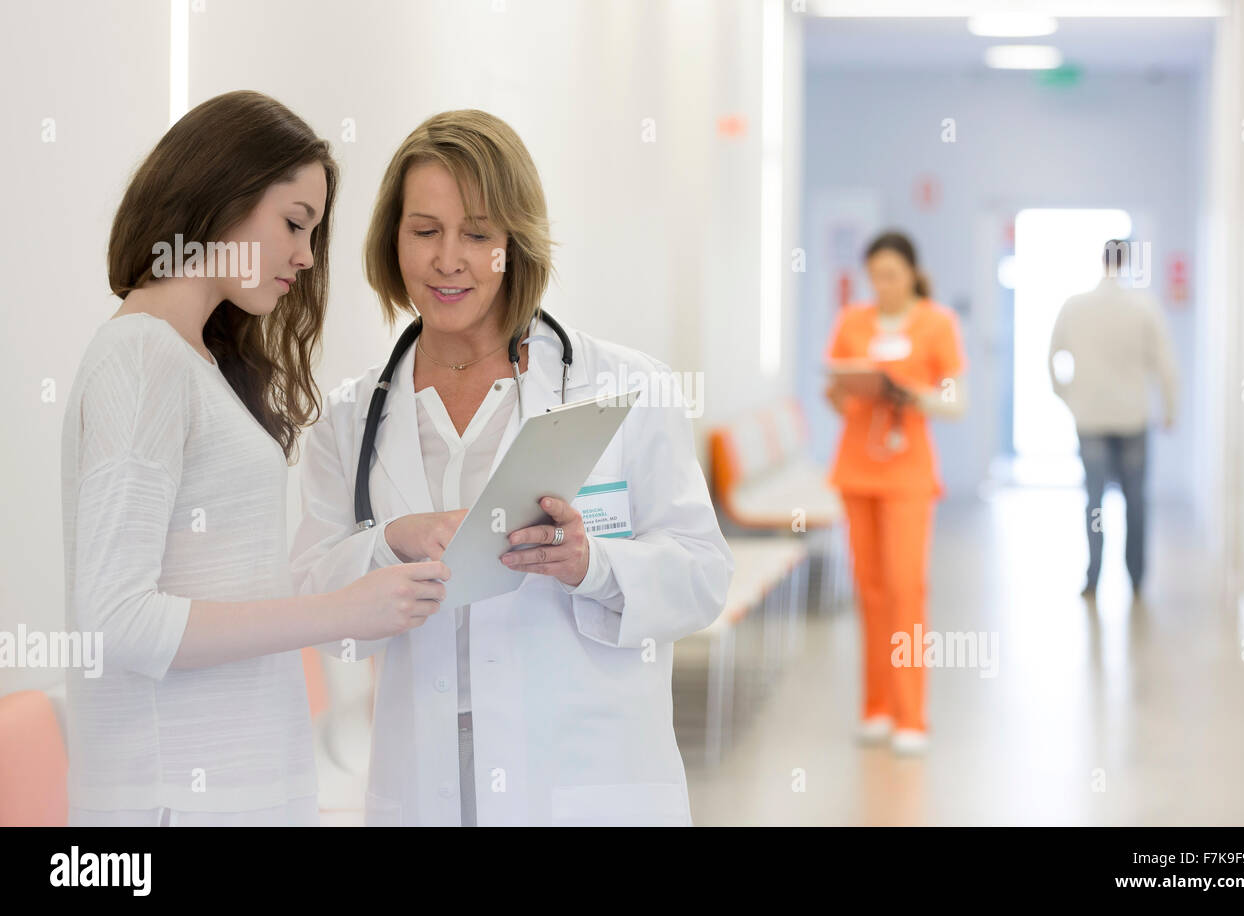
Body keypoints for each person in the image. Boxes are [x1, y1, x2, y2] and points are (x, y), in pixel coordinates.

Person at [289, 108, 732, 826]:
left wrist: (592, 564)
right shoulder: (349, 419)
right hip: (428, 786)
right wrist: (390, 542)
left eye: (477, 234)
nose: (447, 260)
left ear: (514, 244)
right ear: (391, 241)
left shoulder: (626, 388)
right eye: (425, 231)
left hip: (584, 780)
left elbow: (703, 576)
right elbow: (317, 607)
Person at [61, 91, 446, 827]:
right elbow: (119, 619)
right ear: (219, 195)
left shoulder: (195, 362)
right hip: (173, 800)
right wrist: (334, 611)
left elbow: (233, 586)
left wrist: (384, 545)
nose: (305, 256)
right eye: (294, 224)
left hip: (234, 791)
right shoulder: (141, 358)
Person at [824, 231, 966, 756]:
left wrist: (912, 394)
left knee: (907, 589)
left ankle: (911, 715)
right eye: (875, 275)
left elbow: (955, 401)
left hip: (908, 473)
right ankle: (876, 707)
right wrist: (845, 390)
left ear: (911, 273)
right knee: (871, 592)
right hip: (858, 471)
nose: (882, 284)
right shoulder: (852, 323)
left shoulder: (937, 323)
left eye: (891, 274)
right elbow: (836, 396)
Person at [1048, 238, 1179, 602]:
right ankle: (1136, 578)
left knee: (1094, 501)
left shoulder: (1075, 306)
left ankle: (1093, 578)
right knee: (1136, 499)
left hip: (1089, 416)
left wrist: (1068, 397)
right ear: (1128, 263)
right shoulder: (1143, 306)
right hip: (1132, 416)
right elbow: (1165, 365)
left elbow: (1052, 358)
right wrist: (1169, 409)